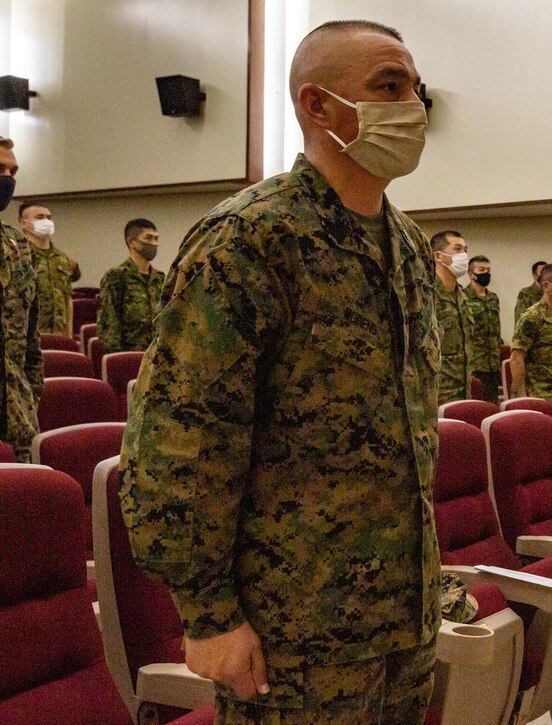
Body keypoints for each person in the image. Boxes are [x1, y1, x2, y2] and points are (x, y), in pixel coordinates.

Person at [119, 20, 440, 723]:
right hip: (296, 636)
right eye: (388, 86)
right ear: (316, 105)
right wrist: (207, 614)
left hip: (402, 624)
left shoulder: (410, 248)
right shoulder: (251, 240)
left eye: (415, 88)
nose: (412, 106)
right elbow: (179, 440)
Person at [0, 136, 44, 463]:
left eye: (13, 170)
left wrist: (32, 392)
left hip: (16, 412)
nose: (8, 178)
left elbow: (31, 335)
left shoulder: (16, 243)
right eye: (0, 168)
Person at [510, 263, 552, 402]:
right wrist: (522, 398)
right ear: (546, 286)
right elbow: (517, 358)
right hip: (539, 397)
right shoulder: (532, 317)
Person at [97, 218, 165, 352]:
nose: (154, 243)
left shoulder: (160, 278)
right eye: (148, 238)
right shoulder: (116, 276)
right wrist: (118, 358)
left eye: (156, 239)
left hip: (157, 354)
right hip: (129, 353)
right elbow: (108, 322)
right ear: (132, 242)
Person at [19, 200, 81, 336]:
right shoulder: (17, 256)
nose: (46, 221)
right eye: (40, 217)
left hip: (59, 333)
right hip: (29, 336)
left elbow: (67, 299)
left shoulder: (63, 258)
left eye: (49, 218)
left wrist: (69, 336)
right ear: (24, 223)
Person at [431, 230, 472, 404]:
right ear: (439, 257)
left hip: (464, 389)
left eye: (465, 250)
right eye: (457, 249)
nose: (464, 255)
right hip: (436, 392)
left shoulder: (462, 296)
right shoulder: (426, 295)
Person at [464, 254, 503, 403]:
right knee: (474, 406)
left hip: (493, 364)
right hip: (475, 364)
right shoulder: (463, 297)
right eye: (481, 269)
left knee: (491, 406)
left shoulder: (493, 298)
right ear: (470, 274)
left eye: (488, 269)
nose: (486, 273)